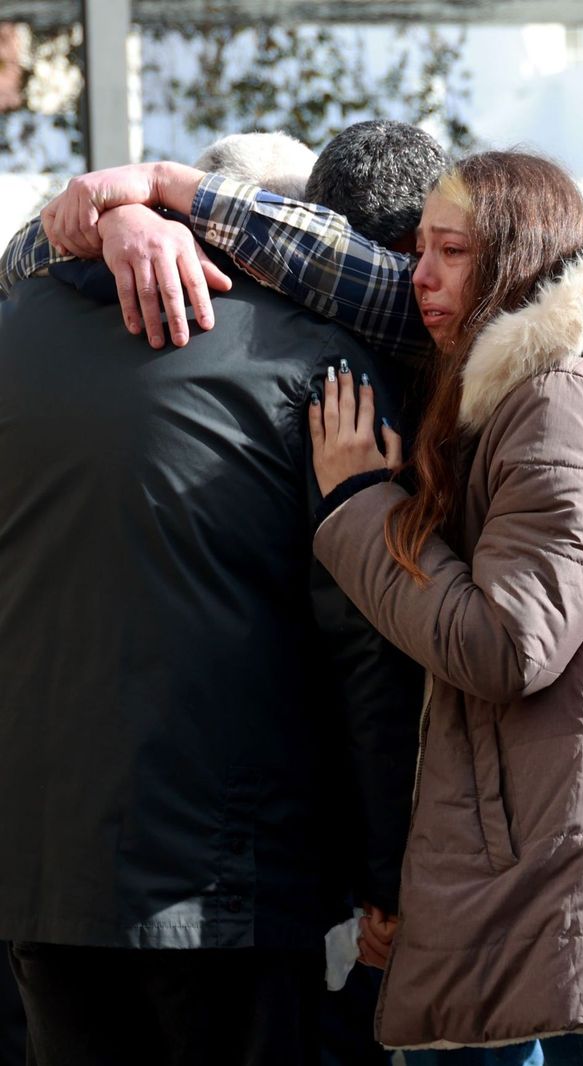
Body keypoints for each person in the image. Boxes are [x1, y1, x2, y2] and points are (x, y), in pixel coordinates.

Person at [33, 150, 583, 1062]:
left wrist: (359, 500)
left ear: (518, 263)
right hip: (576, 863)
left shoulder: (570, 399)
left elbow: (506, 643)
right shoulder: (560, 375)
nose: (414, 278)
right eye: (418, 250)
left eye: (448, 252)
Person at [0, 126, 446, 1066]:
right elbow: (365, 643)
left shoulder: (17, 327)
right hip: (228, 867)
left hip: (42, 863)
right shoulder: (314, 362)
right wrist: (390, 874)